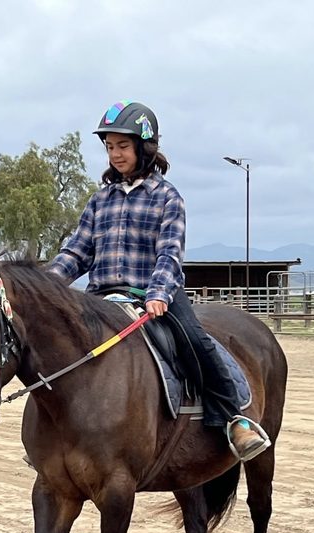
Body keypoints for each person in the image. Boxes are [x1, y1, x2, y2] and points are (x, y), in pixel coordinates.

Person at [47, 100, 270, 460]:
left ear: (144, 147)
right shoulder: (100, 200)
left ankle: (234, 419)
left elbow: (169, 253)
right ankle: (58, 435)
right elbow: (76, 252)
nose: (115, 154)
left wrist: (159, 292)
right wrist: (46, 285)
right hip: (102, 296)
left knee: (196, 340)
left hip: (155, 294)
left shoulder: (167, 197)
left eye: (122, 146)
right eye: (109, 147)